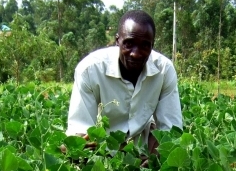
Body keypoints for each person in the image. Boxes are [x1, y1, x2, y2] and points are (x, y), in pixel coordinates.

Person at [66, 10, 182, 157]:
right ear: (117, 41)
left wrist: (155, 158)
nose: (136, 53)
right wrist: (81, 150)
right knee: (74, 152)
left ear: (152, 45)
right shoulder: (90, 70)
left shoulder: (164, 70)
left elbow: (171, 130)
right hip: (103, 150)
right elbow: (80, 130)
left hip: (144, 148)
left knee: (165, 150)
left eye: (145, 46)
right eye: (129, 44)